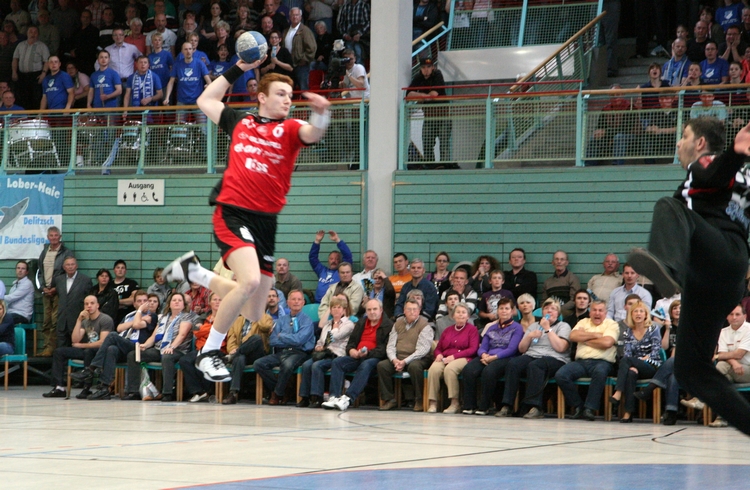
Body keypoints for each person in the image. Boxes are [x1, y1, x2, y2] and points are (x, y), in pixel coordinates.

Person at [72, 291, 158, 400]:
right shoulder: (129, 315)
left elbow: (136, 325)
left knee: (112, 335)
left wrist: (140, 311)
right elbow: (119, 328)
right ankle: (104, 388)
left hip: (137, 346)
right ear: (134, 304)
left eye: (144, 301)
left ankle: (91, 368)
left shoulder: (152, 316)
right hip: (124, 344)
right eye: (139, 301)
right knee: (111, 349)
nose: (142, 303)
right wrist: (136, 319)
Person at [497, 298, 572, 419]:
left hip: (555, 358)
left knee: (536, 366)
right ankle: (507, 405)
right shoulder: (534, 326)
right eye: (546, 308)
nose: (549, 311)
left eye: (553, 309)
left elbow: (561, 347)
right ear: (542, 312)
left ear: (558, 313)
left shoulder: (563, 326)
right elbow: (522, 349)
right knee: (513, 364)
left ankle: (535, 407)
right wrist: (529, 336)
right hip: (532, 355)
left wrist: (548, 329)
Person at [322, 298, 394, 411]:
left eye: (375, 309)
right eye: (369, 310)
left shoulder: (387, 325)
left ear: (381, 310)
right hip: (353, 355)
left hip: (374, 358)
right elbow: (350, 342)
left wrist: (368, 353)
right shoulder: (360, 322)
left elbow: (385, 348)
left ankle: (347, 398)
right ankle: (333, 397)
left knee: (366, 365)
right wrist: (351, 350)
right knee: (335, 363)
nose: (372, 312)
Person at [554, 300, 619, 421]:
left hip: (603, 362)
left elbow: (607, 342)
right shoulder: (583, 322)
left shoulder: (612, 324)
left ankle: (589, 408)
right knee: (561, 374)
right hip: (581, 362)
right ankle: (578, 406)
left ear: (605, 313)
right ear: (590, 312)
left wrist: (584, 338)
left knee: (600, 371)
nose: (597, 313)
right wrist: (597, 335)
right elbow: (573, 336)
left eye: (600, 310)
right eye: (594, 310)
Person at [124, 292, 193, 401]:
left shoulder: (186, 316)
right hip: (159, 348)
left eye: (179, 300)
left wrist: (172, 347)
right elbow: (154, 336)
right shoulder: (164, 317)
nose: (176, 302)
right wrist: (145, 345)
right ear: (169, 304)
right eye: (174, 300)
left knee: (167, 356)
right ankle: (134, 391)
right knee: (133, 355)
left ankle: (167, 393)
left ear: (184, 304)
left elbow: (182, 335)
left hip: (178, 350)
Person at [460, 297, 523, 415]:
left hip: (505, 357)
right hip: (487, 356)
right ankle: (469, 405)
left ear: (512, 311)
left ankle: (484, 406)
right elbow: (483, 346)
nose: (504, 311)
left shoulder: (517, 327)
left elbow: (512, 349)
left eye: (507, 308)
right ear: (497, 311)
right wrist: (483, 354)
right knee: (469, 369)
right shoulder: (491, 327)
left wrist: (494, 357)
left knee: (489, 371)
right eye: (501, 308)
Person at [43, 295, 114, 399]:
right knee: (59, 352)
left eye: (92, 303)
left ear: (98, 305)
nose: (89, 306)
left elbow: (102, 343)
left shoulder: (105, 319)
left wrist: (82, 345)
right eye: (86, 304)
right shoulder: (85, 321)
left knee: (88, 352)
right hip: (87, 349)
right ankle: (59, 387)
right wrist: (79, 320)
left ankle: (86, 388)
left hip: (99, 352)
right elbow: (75, 340)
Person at [253, 290, 315, 405]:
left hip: (299, 353)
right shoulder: (282, 320)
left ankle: (277, 394)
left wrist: (282, 336)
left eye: (299, 299)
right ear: (288, 302)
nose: (296, 302)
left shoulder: (307, 321)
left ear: (303, 302)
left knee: (287, 364)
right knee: (259, 363)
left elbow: (299, 340)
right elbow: (273, 340)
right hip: (281, 352)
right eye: (293, 299)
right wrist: (290, 340)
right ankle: (282, 389)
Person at [609, 300, 663, 422]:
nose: (638, 314)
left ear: (646, 314)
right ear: (631, 314)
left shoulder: (653, 328)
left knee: (627, 361)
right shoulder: (628, 331)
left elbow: (656, 350)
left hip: (651, 365)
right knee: (630, 373)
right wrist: (634, 365)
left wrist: (637, 362)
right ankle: (628, 413)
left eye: (641, 311)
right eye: (635, 311)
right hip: (634, 365)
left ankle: (618, 392)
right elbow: (627, 352)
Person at [376, 298, 433, 412]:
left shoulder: (425, 326)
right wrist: (394, 360)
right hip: (399, 358)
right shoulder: (397, 324)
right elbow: (390, 345)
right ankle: (389, 399)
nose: (412, 312)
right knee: (382, 366)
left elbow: (422, 350)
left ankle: (419, 400)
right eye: (409, 309)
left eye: (415, 309)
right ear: (404, 311)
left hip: (419, 358)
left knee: (415, 367)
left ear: (419, 311)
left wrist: (405, 361)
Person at [297, 297, 354, 408]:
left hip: (337, 354)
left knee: (317, 365)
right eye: (334, 307)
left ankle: (317, 397)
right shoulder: (327, 324)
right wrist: (318, 346)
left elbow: (335, 336)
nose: (336, 310)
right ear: (331, 310)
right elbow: (321, 340)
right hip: (324, 353)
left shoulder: (348, 324)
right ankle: (305, 397)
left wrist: (335, 326)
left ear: (344, 310)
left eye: (339, 307)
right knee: (306, 365)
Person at [426, 302, 479, 414]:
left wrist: (454, 356)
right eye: (458, 312)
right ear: (453, 315)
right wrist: (438, 354)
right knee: (434, 369)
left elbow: (473, 349)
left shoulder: (472, 330)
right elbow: (438, 348)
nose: (461, 314)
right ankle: (433, 402)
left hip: (464, 357)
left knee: (450, 369)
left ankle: (454, 403)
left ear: (468, 316)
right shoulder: (447, 330)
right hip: (445, 357)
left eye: (463, 312)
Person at [218, 313, 274, 405]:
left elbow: (266, 327)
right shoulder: (236, 320)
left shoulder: (266, 317)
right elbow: (231, 340)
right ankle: (233, 393)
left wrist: (258, 314)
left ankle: (231, 357)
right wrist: (233, 349)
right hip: (242, 354)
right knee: (239, 358)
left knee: (256, 338)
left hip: (258, 354)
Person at [407, 57, 449, 165]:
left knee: (444, 144)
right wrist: (425, 96)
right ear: (420, 69)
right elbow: (408, 94)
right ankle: (430, 166)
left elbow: (434, 95)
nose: (426, 70)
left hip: (443, 115)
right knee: (427, 143)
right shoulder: (419, 77)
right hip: (429, 116)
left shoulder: (437, 74)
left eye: (429, 67)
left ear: (433, 67)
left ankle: (445, 167)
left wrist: (420, 97)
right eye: (423, 67)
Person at [54, 257, 92, 349]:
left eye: (72, 264)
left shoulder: (85, 280)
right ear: (64, 267)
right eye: (68, 265)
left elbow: (88, 300)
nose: (70, 267)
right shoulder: (58, 280)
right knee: (60, 350)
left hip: (77, 320)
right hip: (62, 320)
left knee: (76, 349)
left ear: (76, 266)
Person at [11, 25, 50, 110]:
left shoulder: (42, 46)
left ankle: (36, 116)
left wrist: (43, 74)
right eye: (31, 32)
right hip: (22, 75)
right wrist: (14, 72)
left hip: (35, 75)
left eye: (35, 32)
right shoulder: (20, 45)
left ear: (38, 34)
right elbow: (15, 59)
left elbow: (46, 61)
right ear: (27, 33)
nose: (33, 34)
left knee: (36, 97)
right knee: (23, 97)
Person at [309, 230, 353, 302]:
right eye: (331, 259)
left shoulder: (342, 272)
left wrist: (337, 240)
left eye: (337, 259)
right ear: (328, 260)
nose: (334, 261)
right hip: (318, 304)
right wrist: (317, 241)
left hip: (334, 304)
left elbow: (348, 256)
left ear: (340, 261)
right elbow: (312, 258)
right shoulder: (321, 270)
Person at [283, 7, 316, 91]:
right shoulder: (286, 31)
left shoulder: (305, 30)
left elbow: (312, 48)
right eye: (293, 15)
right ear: (290, 17)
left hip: (301, 65)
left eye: (297, 15)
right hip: (288, 65)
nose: (295, 17)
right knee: (289, 89)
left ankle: (305, 101)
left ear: (300, 17)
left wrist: (304, 59)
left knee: (303, 88)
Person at [542, 250, 581, 315]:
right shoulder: (547, 282)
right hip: (551, 313)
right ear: (553, 262)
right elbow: (544, 301)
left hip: (567, 313)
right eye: (556, 259)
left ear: (566, 263)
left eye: (562, 259)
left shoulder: (572, 278)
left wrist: (558, 310)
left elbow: (574, 300)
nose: (559, 262)